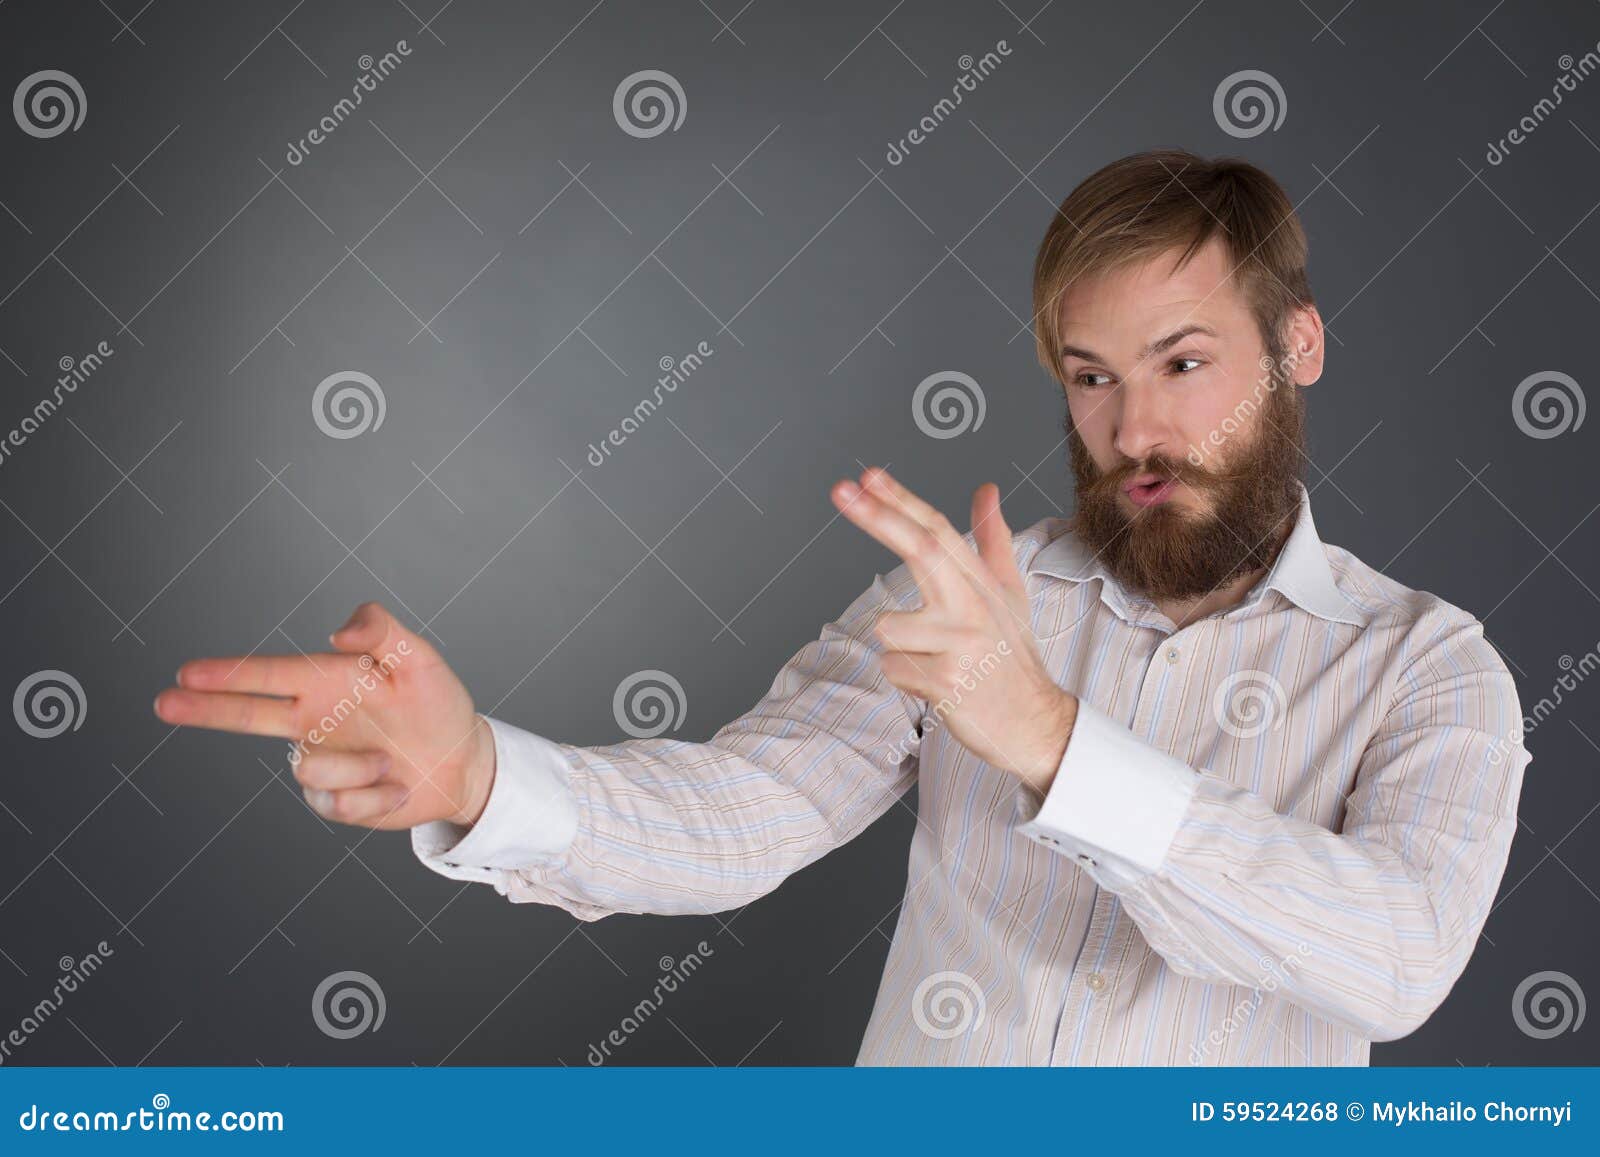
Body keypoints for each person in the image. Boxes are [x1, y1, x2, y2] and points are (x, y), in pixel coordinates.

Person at [155, 149, 1530, 1065]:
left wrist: (1052, 741)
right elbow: (745, 812)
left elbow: (1395, 957)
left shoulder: (1427, 669)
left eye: (1183, 361)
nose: (1135, 428)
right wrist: (483, 773)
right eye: (1091, 375)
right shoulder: (972, 601)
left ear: (1298, 350)